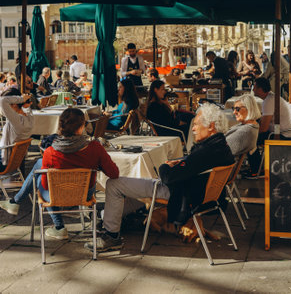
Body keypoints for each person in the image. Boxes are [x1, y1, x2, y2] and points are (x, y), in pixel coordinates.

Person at [85, 103, 234, 253]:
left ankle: (112, 236)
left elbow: (168, 177)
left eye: (196, 124)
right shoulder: (220, 146)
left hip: (179, 194)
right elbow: (192, 166)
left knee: (114, 184)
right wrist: (182, 162)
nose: (193, 128)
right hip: (197, 194)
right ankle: (109, 216)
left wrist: (165, 165)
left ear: (211, 126)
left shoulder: (206, 151)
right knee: (134, 183)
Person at [0, 108, 119, 240]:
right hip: (84, 194)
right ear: (80, 128)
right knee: (40, 167)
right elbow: (114, 173)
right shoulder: (95, 148)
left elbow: (45, 184)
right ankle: (15, 202)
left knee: (39, 176)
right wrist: (99, 164)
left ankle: (58, 226)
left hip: (56, 196)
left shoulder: (50, 152)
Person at [248, 77, 291, 176]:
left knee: (249, 139)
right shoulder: (271, 98)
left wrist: (250, 131)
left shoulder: (268, 101)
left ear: (261, 89)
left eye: (255, 87)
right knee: (251, 135)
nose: (253, 89)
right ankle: (257, 168)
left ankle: (256, 170)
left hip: (283, 135)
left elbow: (264, 128)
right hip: (289, 131)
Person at [0, 88, 33, 171]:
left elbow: (2, 101)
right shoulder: (29, 117)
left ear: (14, 104)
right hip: (17, 161)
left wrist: (21, 99)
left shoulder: (16, 120)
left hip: (5, 161)